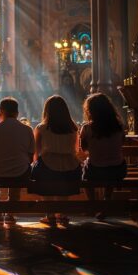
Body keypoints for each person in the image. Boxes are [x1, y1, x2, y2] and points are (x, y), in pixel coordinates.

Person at [0, 97, 35, 224]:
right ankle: (10, 214)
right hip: (20, 173)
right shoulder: (27, 129)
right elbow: (31, 155)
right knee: (18, 173)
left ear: (1, 111)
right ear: (17, 113)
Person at [30, 95, 82, 226]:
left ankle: (50, 215)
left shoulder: (42, 128)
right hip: (70, 166)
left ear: (47, 110)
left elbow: (36, 151)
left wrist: (35, 164)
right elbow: (76, 150)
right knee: (63, 188)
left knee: (44, 183)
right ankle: (62, 214)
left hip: (48, 164)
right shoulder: (73, 128)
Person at [80, 93, 126, 218]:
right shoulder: (119, 126)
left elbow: (84, 149)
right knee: (112, 165)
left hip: (96, 170)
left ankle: (93, 204)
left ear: (90, 110)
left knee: (85, 174)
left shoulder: (87, 128)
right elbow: (121, 143)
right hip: (117, 170)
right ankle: (106, 201)